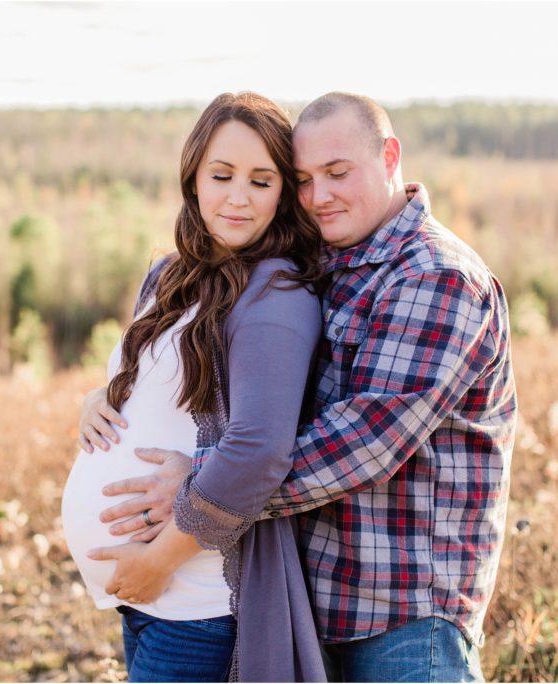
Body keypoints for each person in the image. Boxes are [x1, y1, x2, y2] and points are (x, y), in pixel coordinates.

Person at [82, 92, 517, 683]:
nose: (319, 196)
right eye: (304, 180)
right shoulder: (330, 259)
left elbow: (363, 443)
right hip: (317, 597)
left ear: (390, 157)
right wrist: (113, 394)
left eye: (338, 174)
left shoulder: (434, 275)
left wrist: (205, 483)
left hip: (405, 614)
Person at [60, 91, 327, 682]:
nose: (238, 197)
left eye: (261, 181)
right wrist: (103, 394)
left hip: (195, 603)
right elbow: (156, 380)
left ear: (283, 192)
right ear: (193, 177)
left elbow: (258, 450)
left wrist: (157, 562)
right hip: (149, 602)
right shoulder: (170, 274)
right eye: (222, 174)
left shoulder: (274, 293)